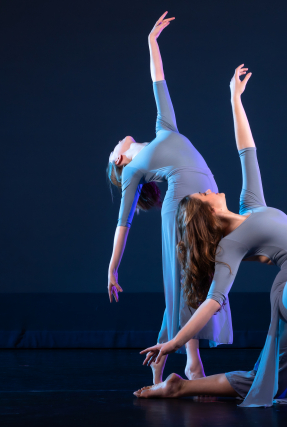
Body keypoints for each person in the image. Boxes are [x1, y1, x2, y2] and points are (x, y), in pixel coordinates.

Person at [135, 65, 287, 415]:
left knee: (265, 379)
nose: (209, 188)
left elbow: (247, 150)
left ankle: (181, 387)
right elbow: (212, 302)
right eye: (204, 195)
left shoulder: (252, 205)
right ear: (206, 215)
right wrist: (174, 342)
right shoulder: (231, 245)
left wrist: (234, 99)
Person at [106, 12, 232, 384]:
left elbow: (158, 80)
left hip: (208, 201)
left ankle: (162, 357)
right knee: (186, 279)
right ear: (119, 160)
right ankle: (191, 360)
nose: (118, 140)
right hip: (181, 207)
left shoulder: (165, 127)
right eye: (113, 148)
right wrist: (113, 268)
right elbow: (123, 225)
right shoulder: (131, 170)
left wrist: (152, 42)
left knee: (193, 279)